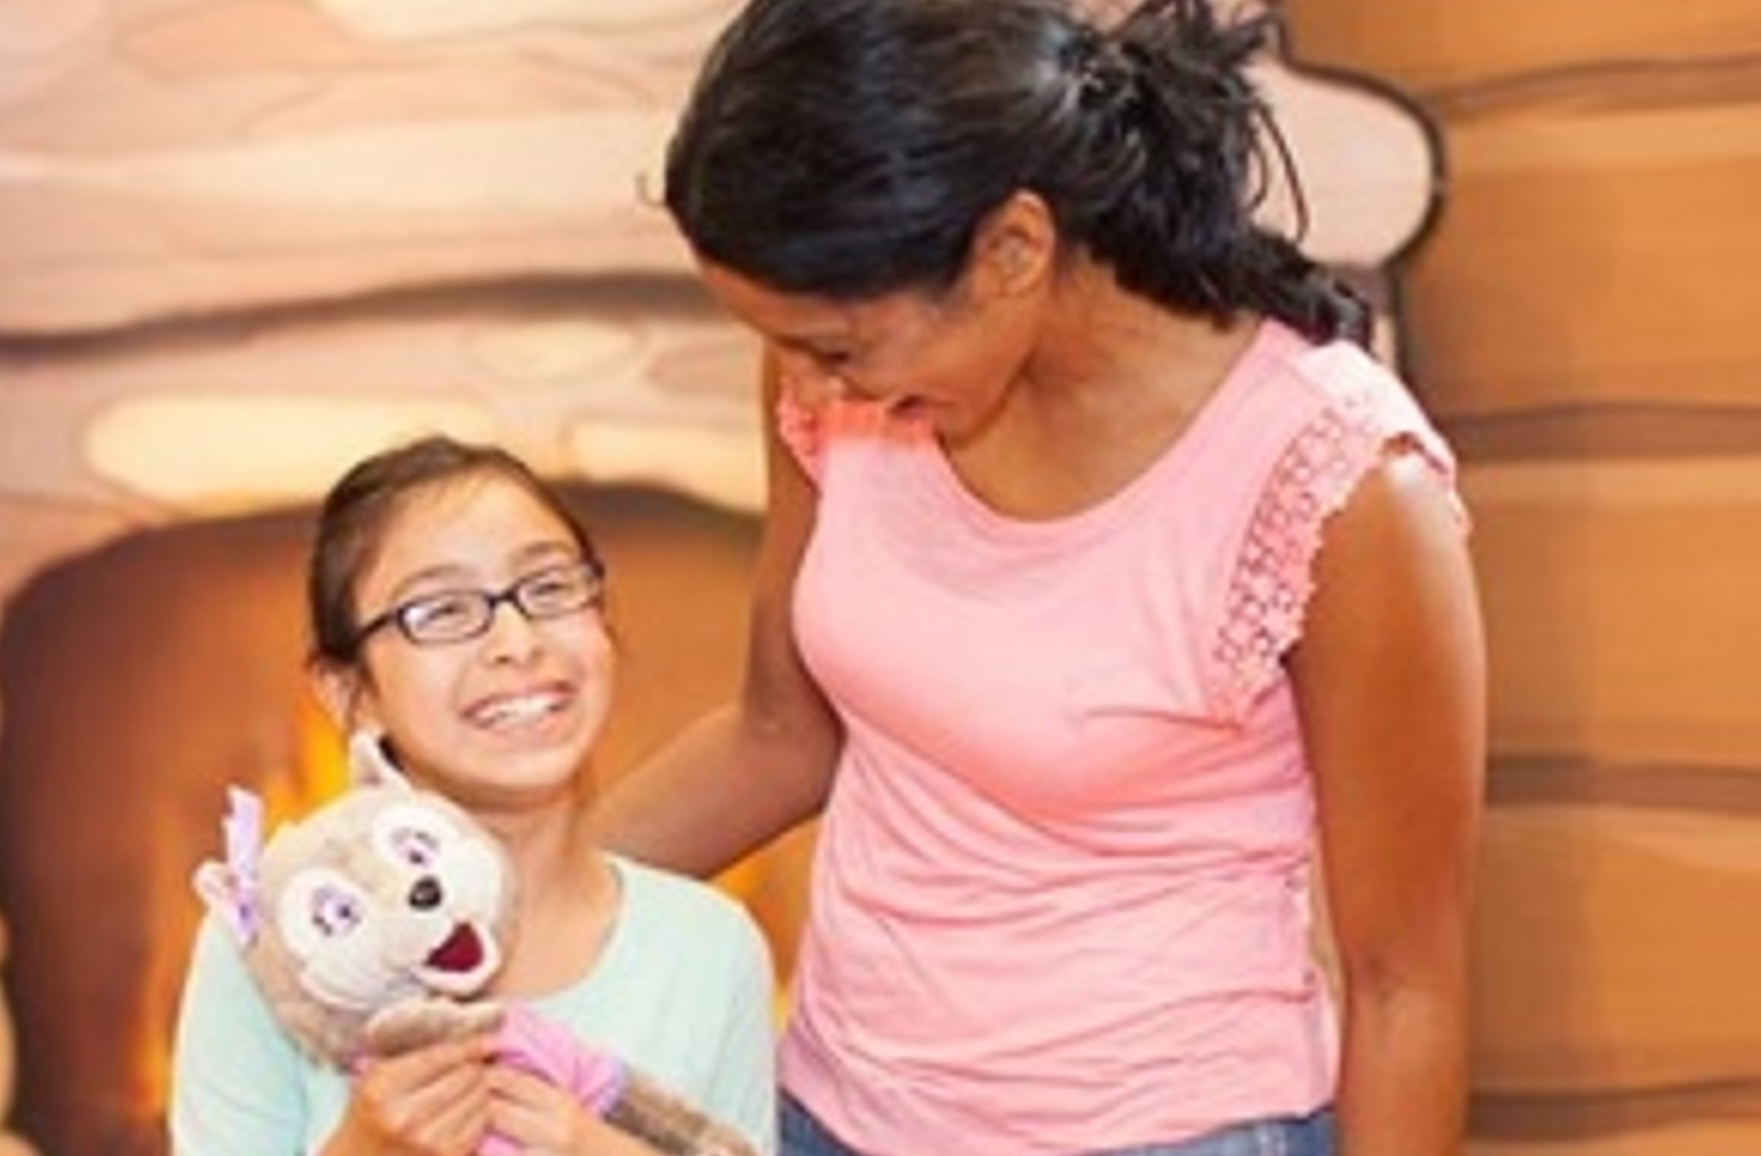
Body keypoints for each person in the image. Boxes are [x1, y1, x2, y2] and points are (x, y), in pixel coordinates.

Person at [596, 0, 1487, 1153]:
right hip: (834, 1109)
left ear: (1013, 249)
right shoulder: (849, 383)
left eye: (835, 350)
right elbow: (780, 734)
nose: (808, 395)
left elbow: (1405, 979)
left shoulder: (1340, 482)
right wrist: (503, 901)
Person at [170, 436, 780, 1156]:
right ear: (350, 694)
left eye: (550, 588)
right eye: (441, 610)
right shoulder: (284, 949)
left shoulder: (712, 946)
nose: (517, 641)